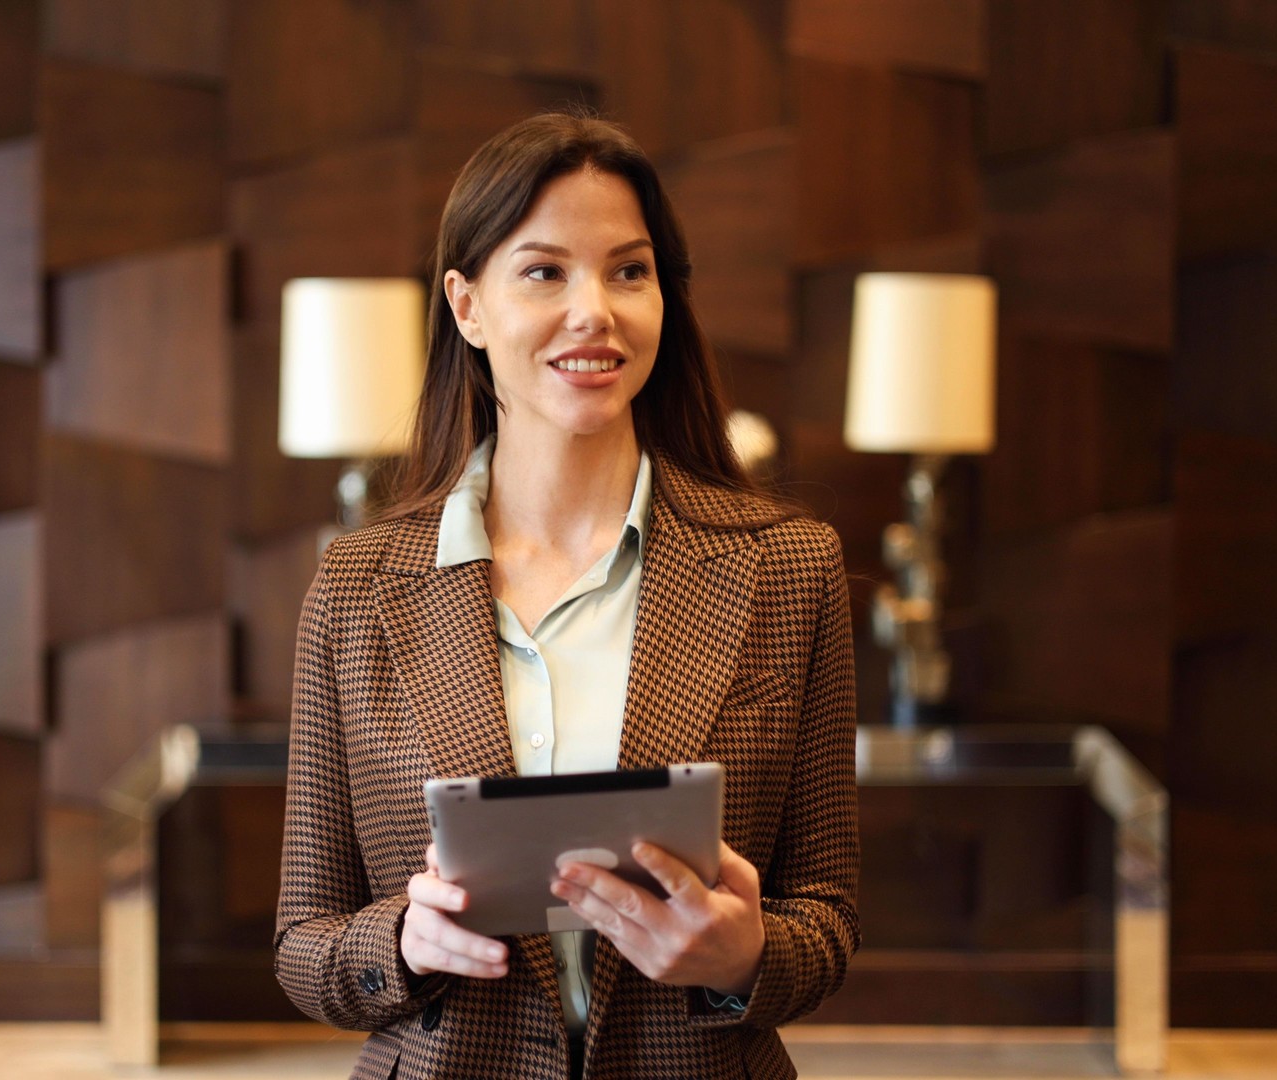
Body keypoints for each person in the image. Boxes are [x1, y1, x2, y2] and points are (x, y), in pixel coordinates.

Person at [274, 111, 859, 1080]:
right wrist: (405, 943)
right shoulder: (356, 588)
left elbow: (828, 917)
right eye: (544, 272)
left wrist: (745, 957)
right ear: (467, 307)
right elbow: (304, 941)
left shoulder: (790, 569)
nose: (596, 310)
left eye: (629, 271)